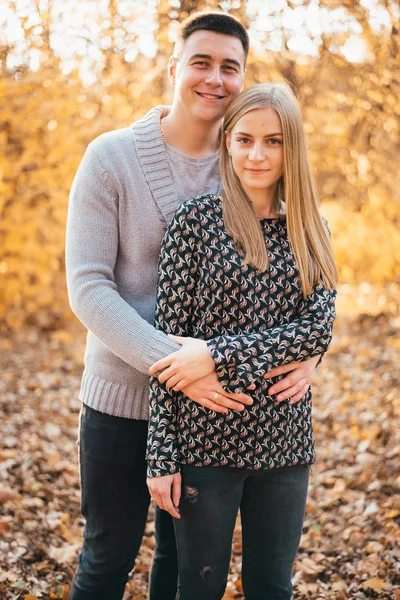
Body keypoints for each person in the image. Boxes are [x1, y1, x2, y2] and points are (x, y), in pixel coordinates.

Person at [66, 10, 320, 600]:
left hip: (213, 414)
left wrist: (312, 355)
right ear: (175, 68)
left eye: (230, 67)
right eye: (201, 62)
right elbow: (88, 287)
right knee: (109, 555)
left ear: (242, 78)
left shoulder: (249, 161)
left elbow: (297, 278)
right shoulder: (110, 158)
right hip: (122, 400)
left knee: (182, 566)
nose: (214, 78)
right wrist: (182, 369)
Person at [146, 82, 337, 600]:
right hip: (206, 443)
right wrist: (162, 457)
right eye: (246, 139)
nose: (257, 155)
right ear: (227, 142)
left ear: (291, 146)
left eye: (273, 141)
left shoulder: (309, 226)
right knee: (198, 587)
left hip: (285, 441)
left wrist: (215, 353)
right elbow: (169, 350)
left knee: (271, 586)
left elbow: (318, 327)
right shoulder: (195, 224)